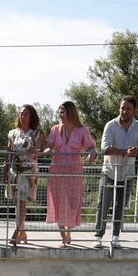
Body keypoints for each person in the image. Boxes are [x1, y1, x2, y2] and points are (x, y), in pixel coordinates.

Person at [94, 95, 138, 248]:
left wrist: (137, 152)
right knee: (103, 205)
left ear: (134, 111)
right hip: (109, 171)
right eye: (122, 108)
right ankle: (98, 236)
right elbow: (104, 149)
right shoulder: (110, 125)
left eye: (128, 109)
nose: (124, 111)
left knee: (120, 206)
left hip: (127, 173)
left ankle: (115, 237)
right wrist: (125, 152)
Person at [44, 101, 96, 248]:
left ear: (70, 113)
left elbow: (91, 147)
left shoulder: (82, 130)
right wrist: (48, 149)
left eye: (62, 112)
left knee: (72, 204)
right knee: (58, 203)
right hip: (56, 171)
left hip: (74, 172)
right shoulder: (55, 129)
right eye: (59, 112)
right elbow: (48, 145)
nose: (60, 115)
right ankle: (63, 237)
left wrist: (92, 154)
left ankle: (69, 230)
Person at [2, 104, 45, 245]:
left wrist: (35, 150)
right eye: (21, 114)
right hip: (15, 171)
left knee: (22, 202)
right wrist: (5, 172)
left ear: (32, 116)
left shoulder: (37, 133)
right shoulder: (12, 133)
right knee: (17, 202)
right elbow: (8, 154)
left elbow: (39, 150)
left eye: (26, 114)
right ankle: (23, 232)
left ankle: (17, 232)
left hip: (28, 172)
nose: (23, 116)